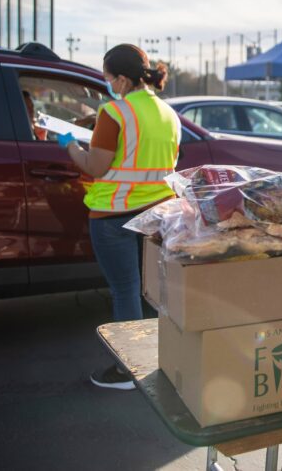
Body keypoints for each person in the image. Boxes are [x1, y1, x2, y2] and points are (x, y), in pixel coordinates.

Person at [58, 44, 181, 389]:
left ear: (123, 79)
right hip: (156, 215)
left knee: (125, 290)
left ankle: (130, 371)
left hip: (113, 216)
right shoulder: (168, 114)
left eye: (108, 77)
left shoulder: (115, 113)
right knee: (155, 293)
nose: (107, 83)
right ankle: (167, 362)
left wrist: (68, 145)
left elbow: (95, 166)